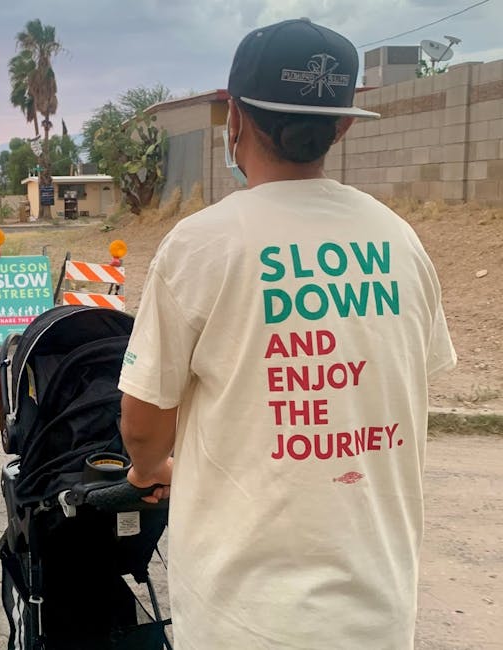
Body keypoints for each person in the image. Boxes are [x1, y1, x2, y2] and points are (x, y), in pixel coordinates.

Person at [118, 18, 456, 650]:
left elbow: (143, 419)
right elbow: (409, 379)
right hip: (376, 613)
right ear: (343, 125)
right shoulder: (402, 242)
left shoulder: (199, 246)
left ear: (235, 120)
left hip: (240, 619)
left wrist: (148, 470)